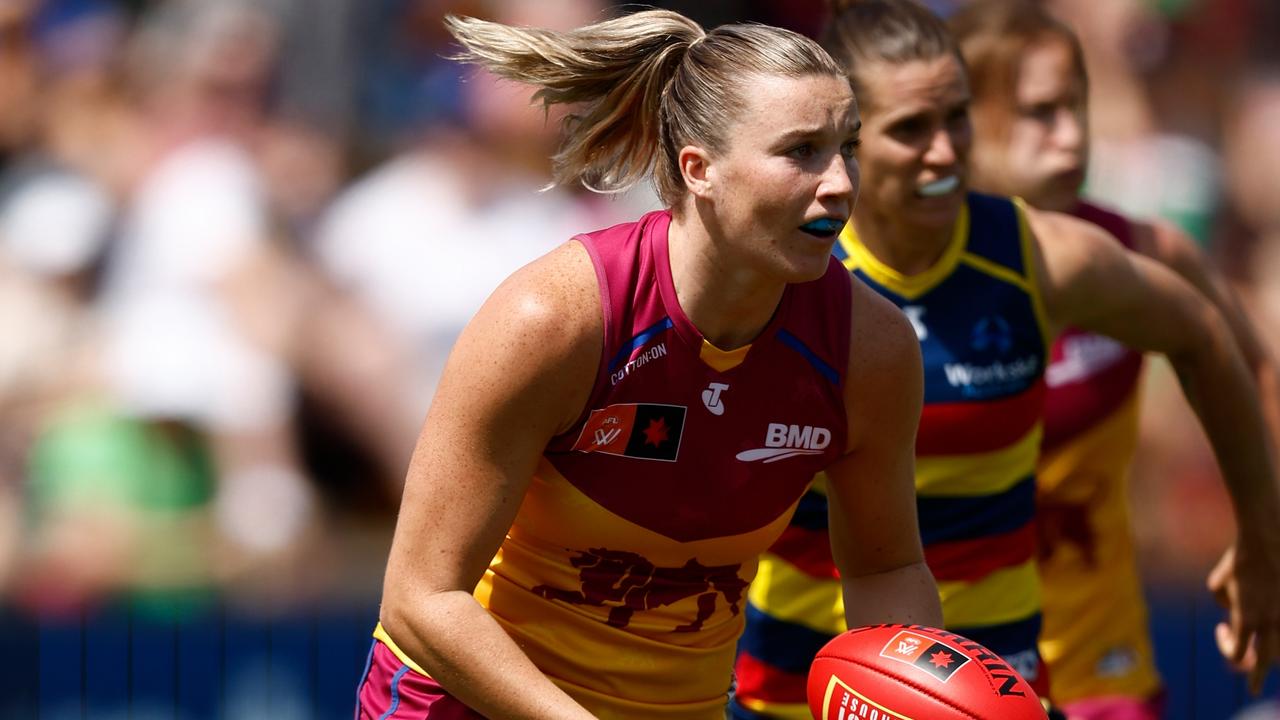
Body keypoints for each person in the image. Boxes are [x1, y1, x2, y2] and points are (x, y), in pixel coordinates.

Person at [356, 8, 943, 719]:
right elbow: (422, 598)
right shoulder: (555, 321)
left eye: (846, 148)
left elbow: (887, 566)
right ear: (699, 169)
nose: (842, 184)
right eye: (802, 152)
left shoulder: (869, 350)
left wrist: (916, 697)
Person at [731, 1, 1280, 718]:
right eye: (910, 130)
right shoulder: (787, 274)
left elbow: (1205, 337)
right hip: (795, 694)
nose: (945, 150)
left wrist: (1262, 539)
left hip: (1001, 694)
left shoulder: (1037, 256)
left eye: (956, 118)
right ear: (848, 145)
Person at [948, 1, 1280, 716]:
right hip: (947, 671)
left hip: (1104, 668)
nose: (1072, 139)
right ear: (963, 125)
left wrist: (1263, 537)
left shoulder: (1146, 254)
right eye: (1040, 113)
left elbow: (1254, 377)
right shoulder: (888, 282)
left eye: (1078, 108)